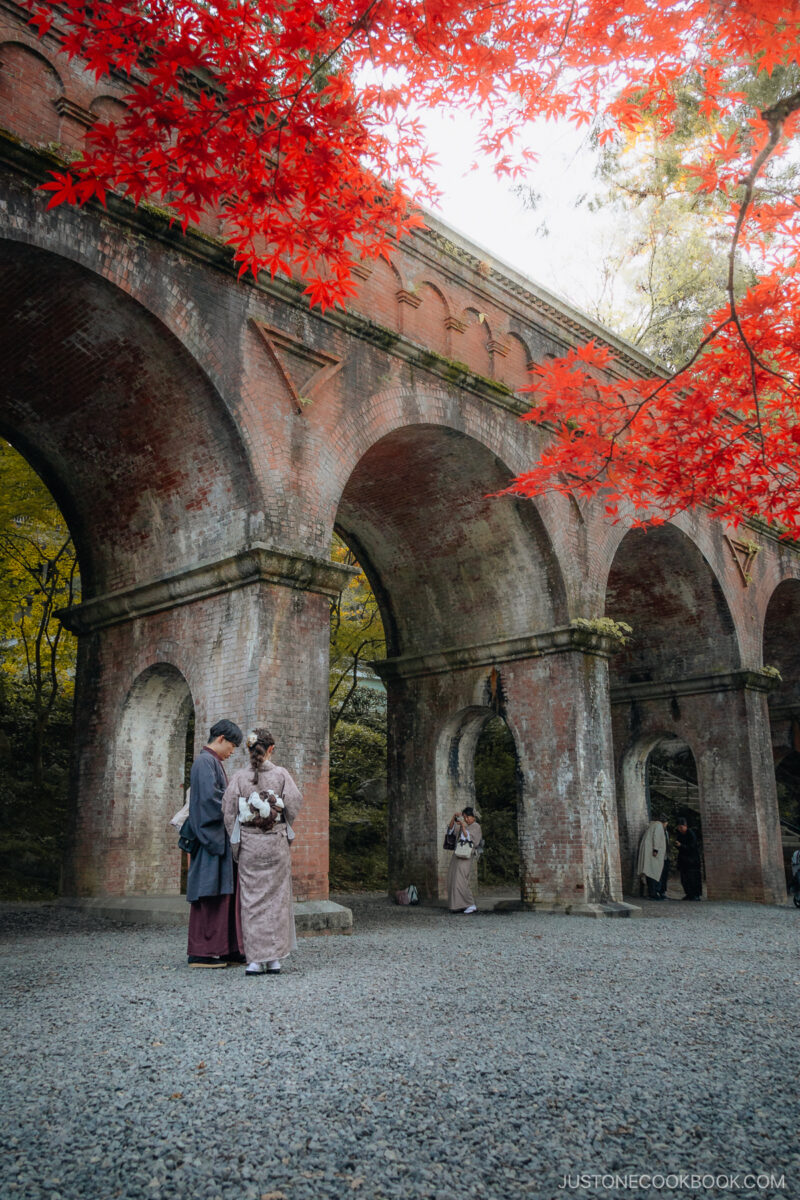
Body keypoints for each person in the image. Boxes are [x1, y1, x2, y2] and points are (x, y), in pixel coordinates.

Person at [222, 726, 303, 976]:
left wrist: (237, 845)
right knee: (277, 900)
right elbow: (294, 803)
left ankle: (255, 960)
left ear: (249, 750)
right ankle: (275, 959)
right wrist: (278, 824)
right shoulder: (280, 775)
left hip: (250, 844)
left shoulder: (239, 777)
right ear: (271, 749)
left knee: (252, 901)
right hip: (275, 842)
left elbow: (228, 812)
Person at [185, 718, 244, 967]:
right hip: (211, 839)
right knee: (211, 895)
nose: (232, 752)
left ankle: (226, 948)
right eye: (232, 745)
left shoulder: (212, 762)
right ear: (221, 738)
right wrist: (241, 802)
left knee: (224, 894)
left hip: (219, 839)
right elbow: (210, 801)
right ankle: (202, 952)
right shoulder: (204, 762)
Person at [446, 806, 482, 914]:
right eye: (464, 817)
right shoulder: (464, 826)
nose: (466, 819)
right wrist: (454, 818)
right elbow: (450, 830)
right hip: (457, 855)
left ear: (473, 817)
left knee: (461, 880)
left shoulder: (476, 826)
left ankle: (470, 904)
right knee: (453, 879)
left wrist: (463, 826)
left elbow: (471, 840)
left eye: (467, 817)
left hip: (466, 856)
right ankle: (458, 905)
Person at [636, 817, 667, 900]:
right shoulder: (659, 825)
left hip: (650, 853)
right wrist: (656, 849)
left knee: (650, 872)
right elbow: (656, 837)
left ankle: (652, 893)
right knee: (653, 872)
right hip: (653, 854)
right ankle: (653, 893)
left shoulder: (652, 825)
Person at [675, 817, 703, 900]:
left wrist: (681, 846)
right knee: (685, 879)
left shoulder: (691, 834)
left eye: (681, 827)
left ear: (685, 826)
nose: (680, 829)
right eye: (679, 827)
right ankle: (689, 894)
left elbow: (692, 847)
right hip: (684, 861)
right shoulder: (680, 835)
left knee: (693, 878)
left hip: (692, 861)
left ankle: (695, 894)